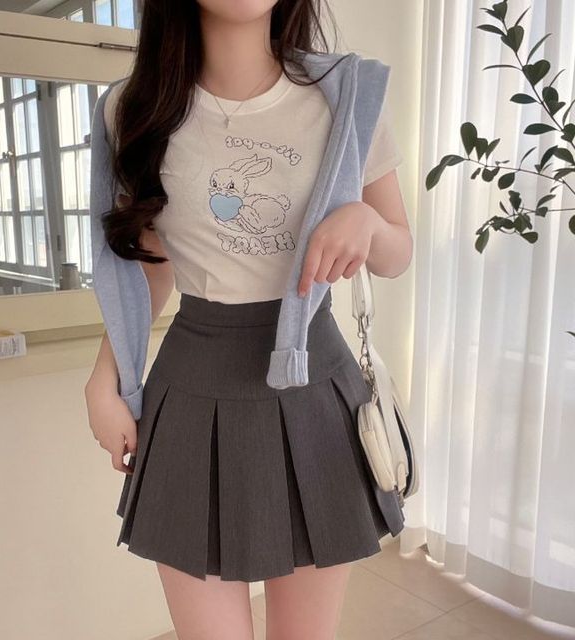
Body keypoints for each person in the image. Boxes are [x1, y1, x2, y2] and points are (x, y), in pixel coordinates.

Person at [84, 1, 412, 638]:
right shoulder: (131, 107)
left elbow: (398, 252)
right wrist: (107, 378)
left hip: (315, 385)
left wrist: (367, 222)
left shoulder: (348, 94)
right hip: (191, 387)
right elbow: (148, 264)